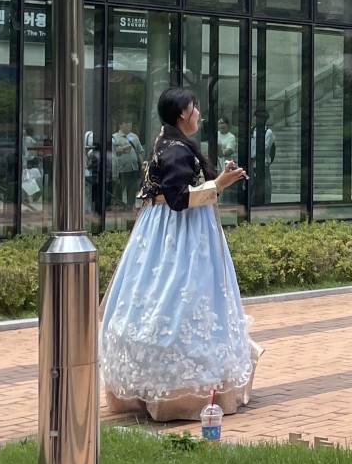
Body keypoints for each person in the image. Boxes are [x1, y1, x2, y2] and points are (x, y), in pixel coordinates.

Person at [100, 87, 258, 421]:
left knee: (164, 295)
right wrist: (219, 184)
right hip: (181, 234)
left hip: (165, 231)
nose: (198, 113)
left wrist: (218, 179)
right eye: (194, 108)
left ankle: (156, 387)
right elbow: (179, 199)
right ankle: (181, 392)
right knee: (183, 295)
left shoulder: (168, 143)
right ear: (182, 114)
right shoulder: (175, 149)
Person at [111, 118, 144, 207]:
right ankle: (117, 207)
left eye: (130, 123)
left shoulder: (134, 137)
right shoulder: (115, 137)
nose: (128, 125)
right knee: (119, 191)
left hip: (133, 168)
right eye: (126, 123)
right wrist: (123, 149)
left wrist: (142, 165)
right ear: (120, 125)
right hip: (121, 169)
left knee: (132, 191)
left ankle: (130, 207)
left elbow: (139, 152)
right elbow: (114, 152)